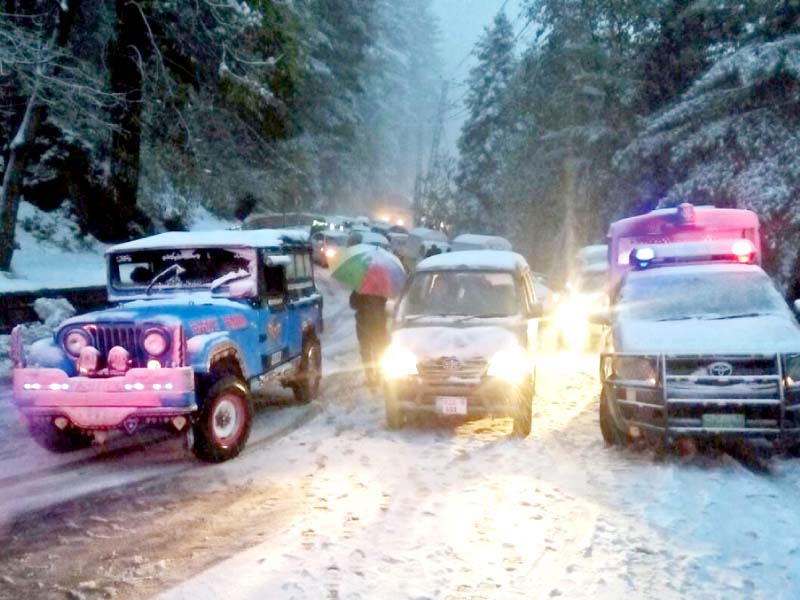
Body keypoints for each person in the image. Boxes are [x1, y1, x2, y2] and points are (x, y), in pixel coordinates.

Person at [350, 290, 388, 389]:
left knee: (367, 350)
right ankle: (376, 374)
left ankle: (371, 375)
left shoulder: (360, 288)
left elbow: (353, 304)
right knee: (378, 349)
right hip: (377, 323)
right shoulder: (381, 288)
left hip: (364, 323)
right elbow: (386, 304)